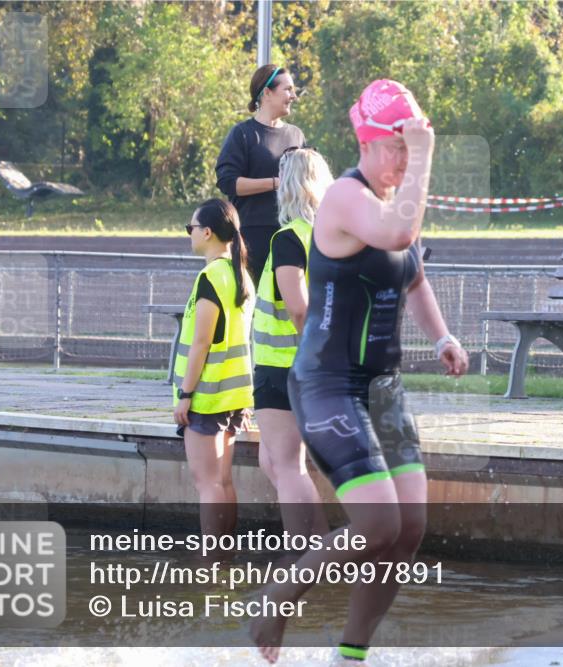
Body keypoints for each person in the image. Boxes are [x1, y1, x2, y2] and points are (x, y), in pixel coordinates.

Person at [250, 79, 469, 664]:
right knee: (376, 523)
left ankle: (351, 653)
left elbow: (413, 272)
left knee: (409, 529)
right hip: (327, 385)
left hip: (382, 389)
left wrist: (442, 335)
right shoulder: (346, 199)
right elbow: (400, 231)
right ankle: (279, 596)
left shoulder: (396, 203)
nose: (405, 158)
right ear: (368, 143)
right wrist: (423, 157)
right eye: (397, 147)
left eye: (411, 147)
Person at [253, 147, 333, 539]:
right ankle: (319, 543)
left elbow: (298, 308)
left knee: (286, 464)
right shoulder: (329, 236)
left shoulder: (289, 238)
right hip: (300, 364)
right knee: (270, 458)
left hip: (284, 365)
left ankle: (302, 555)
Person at [173, 198, 254, 556]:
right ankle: (226, 554)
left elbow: (201, 342)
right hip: (234, 395)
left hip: (207, 396)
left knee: (207, 484)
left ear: (207, 232)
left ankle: (211, 561)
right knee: (222, 481)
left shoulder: (210, 277)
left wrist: (185, 394)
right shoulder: (240, 273)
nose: (189, 234)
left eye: (190, 227)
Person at [216, 63, 305, 285]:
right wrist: (276, 183)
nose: (293, 96)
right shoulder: (243, 134)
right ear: (267, 93)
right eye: (288, 89)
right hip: (253, 238)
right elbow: (227, 182)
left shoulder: (296, 135)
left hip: (292, 234)